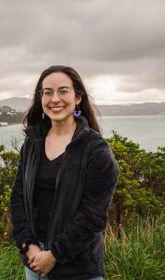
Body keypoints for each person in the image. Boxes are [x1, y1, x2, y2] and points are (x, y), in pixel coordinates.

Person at [10, 65, 119, 280]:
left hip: (77, 266)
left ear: (77, 98)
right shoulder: (32, 143)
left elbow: (93, 216)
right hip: (34, 259)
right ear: (40, 99)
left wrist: (54, 254)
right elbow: (18, 197)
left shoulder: (95, 150)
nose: (54, 99)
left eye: (63, 91)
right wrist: (28, 245)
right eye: (47, 92)